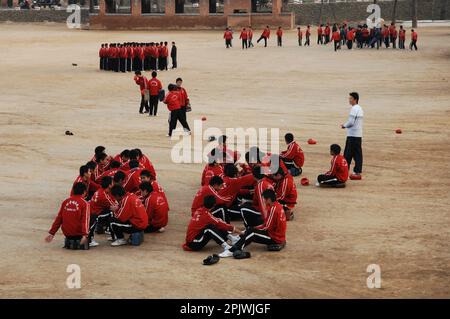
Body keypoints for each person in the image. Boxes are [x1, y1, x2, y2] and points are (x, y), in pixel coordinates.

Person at [219, 189, 286, 257]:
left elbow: (266, 227)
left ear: (268, 199)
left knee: (252, 233)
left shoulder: (273, 209)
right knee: (251, 230)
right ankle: (238, 242)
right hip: (276, 235)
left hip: (275, 238)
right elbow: (266, 225)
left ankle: (232, 250)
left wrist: (253, 229)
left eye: (264, 199)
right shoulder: (277, 206)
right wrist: (252, 228)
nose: (263, 201)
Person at [45, 182, 91, 250]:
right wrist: (85, 235)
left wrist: (52, 233)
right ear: (84, 192)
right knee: (93, 218)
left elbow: (59, 218)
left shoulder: (65, 201)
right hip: (78, 235)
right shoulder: (85, 204)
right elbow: (85, 220)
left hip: (67, 234)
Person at [341, 92, 364, 177]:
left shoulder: (354, 109)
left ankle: (344, 170)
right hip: (358, 135)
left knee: (347, 154)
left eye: (350, 98)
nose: (349, 100)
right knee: (358, 154)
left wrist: (344, 125)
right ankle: (357, 171)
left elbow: (351, 122)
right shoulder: (360, 108)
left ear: (355, 99)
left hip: (352, 135)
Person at [88, 176, 117, 242]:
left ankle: (111, 233)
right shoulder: (103, 196)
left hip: (93, 212)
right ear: (109, 185)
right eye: (112, 183)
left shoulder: (100, 190)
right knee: (112, 213)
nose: (114, 184)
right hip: (95, 215)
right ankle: (114, 236)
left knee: (110, 211)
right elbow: (114, 206)